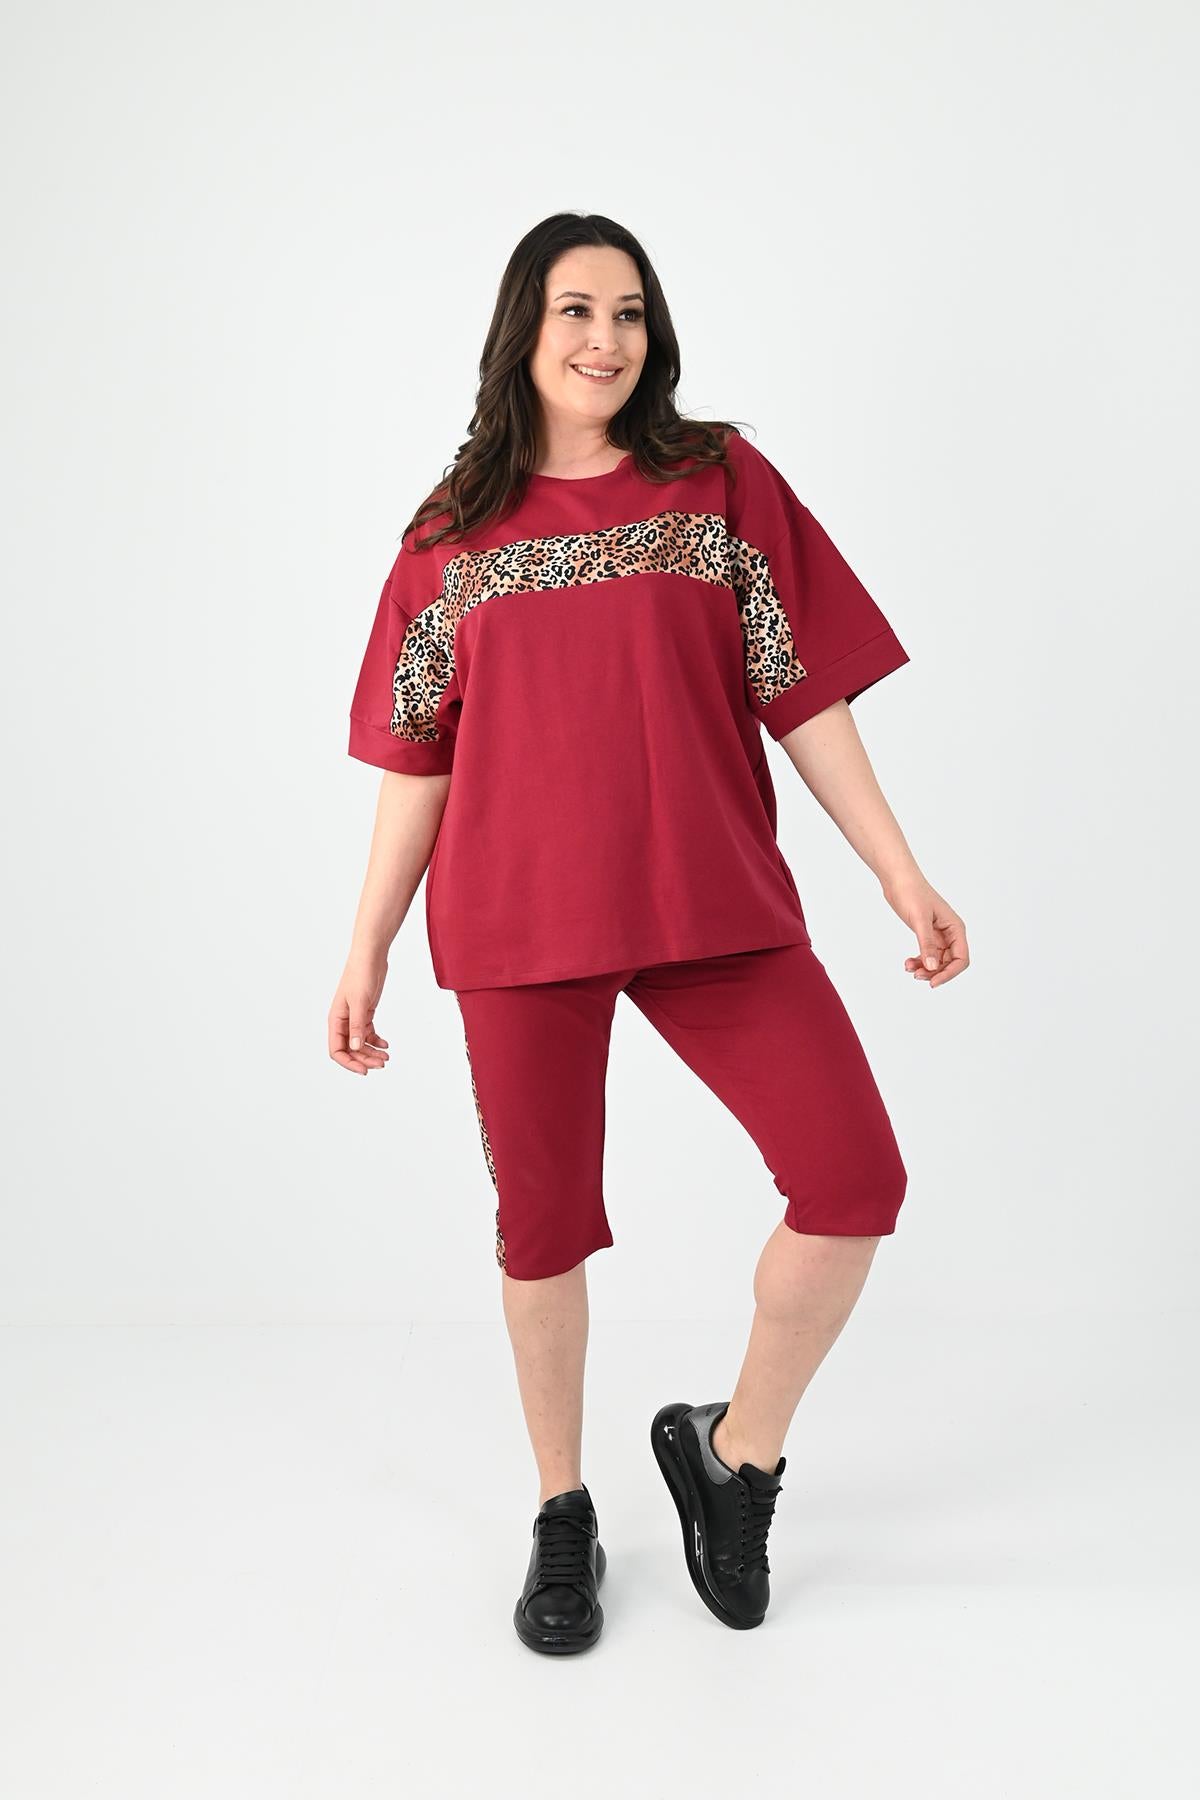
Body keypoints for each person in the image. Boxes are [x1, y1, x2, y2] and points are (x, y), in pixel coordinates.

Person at [329, 212, 969, 1656]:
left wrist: (899, 871)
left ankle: (735, 1457)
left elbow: (803, 692)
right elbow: (416, 760)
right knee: (543, 1228)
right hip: (518, 923)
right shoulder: (449, 536)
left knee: (853, 1179)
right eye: (576, 310)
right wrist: (366, 947)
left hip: (711, 904)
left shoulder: (718, 483)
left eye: (629, 312)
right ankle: (563, 1508)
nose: (605, 339)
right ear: (524, 330)